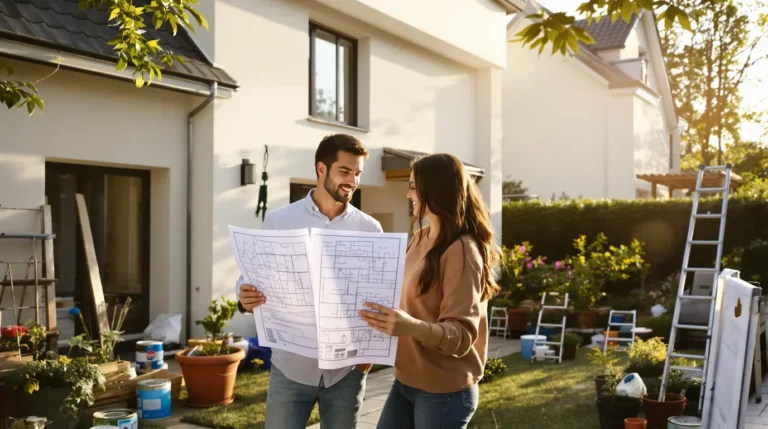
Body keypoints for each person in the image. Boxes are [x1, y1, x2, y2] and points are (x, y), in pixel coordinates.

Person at [236, 133, 383, 429]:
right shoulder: (280, 221)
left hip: (346, 372)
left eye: (357, 173)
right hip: (290, 368)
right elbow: (248, 280)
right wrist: (244, 298)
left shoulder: (369, 229)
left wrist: (369, 353)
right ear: (321, 169)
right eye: (345, 171)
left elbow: (379, 299)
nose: (352, 180)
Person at [359, 153, 501, 429]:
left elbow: (461, 336)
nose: (409, 194)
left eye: (414, 187)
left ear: (434, 191)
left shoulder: (461, 250)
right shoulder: (421, 237)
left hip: (444, 391)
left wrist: (410, 327)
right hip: (406, 381)